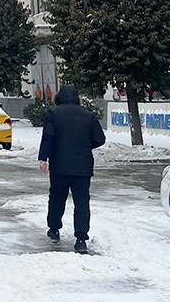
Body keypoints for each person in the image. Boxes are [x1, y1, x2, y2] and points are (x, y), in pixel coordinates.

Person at [38, 84, 106, 254]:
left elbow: (48, 137)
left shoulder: (54, 114)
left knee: (56, 198)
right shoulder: (88, 115)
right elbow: (100, 139)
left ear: (59, 96)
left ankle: (54, 230)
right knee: (82, 202)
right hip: (82, 166)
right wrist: (85, 145)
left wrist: (43, 158)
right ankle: (81, 239)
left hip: (59, 166)